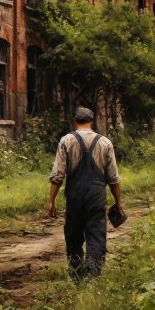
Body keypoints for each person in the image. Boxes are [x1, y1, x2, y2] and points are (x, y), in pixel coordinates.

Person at [46, 107, 123, 279]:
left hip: (74, 193)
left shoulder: (66, 141)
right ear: (92, 122)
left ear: (75, 121)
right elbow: (113, 179)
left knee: (73, 233)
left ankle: (76, 275)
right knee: (96, 233)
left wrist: (51, 201)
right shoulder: (105, 143)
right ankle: (94, 276)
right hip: (97, 194)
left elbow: (57, 176)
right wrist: (118, 202)